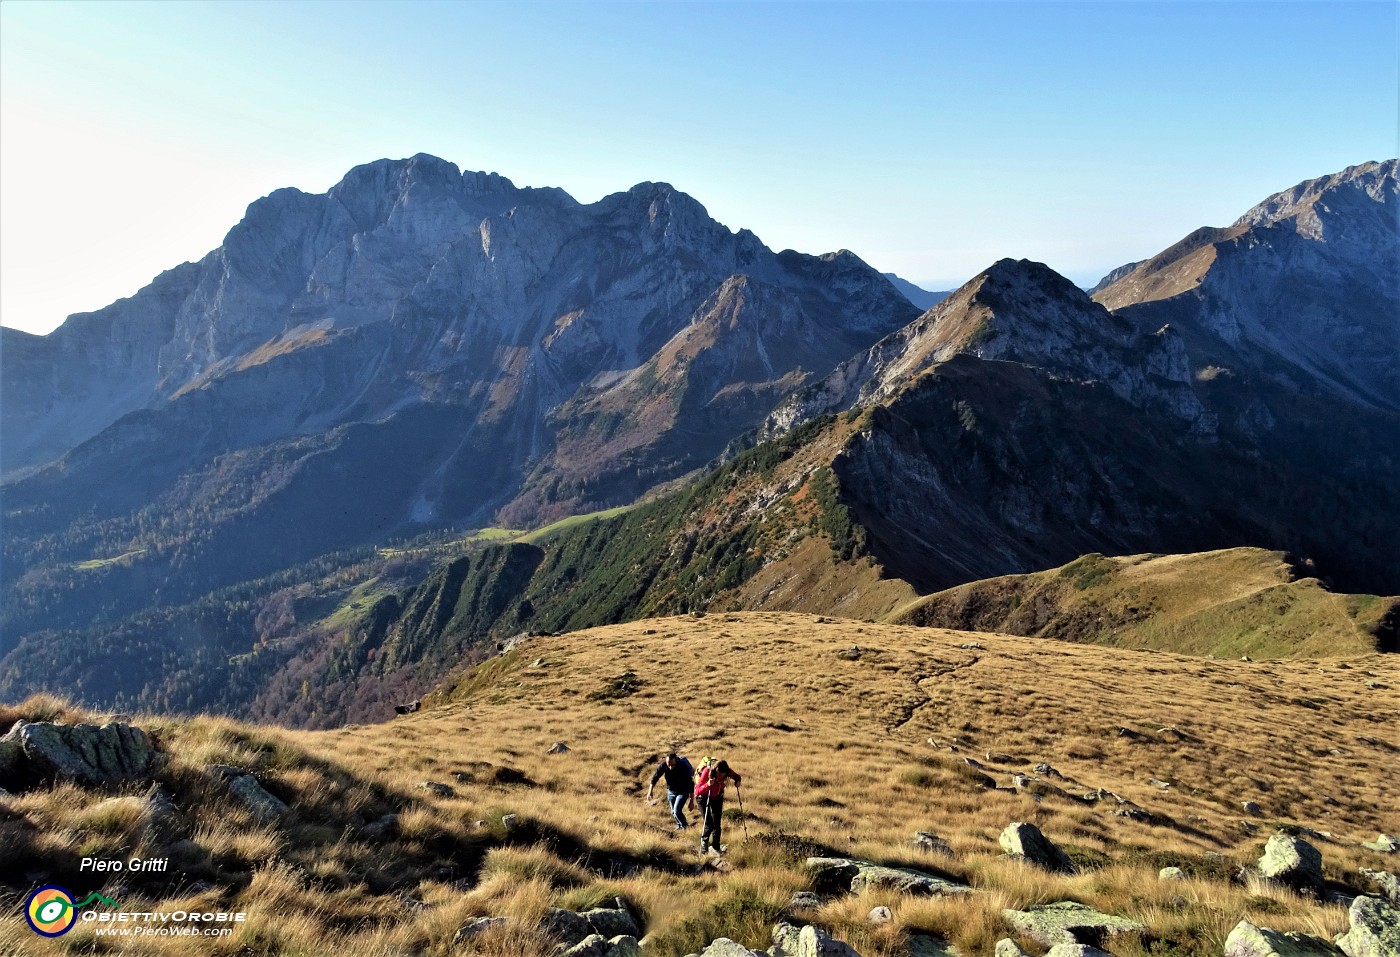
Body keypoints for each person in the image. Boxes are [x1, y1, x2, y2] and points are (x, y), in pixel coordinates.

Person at [694, 758, 742, 854]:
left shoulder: (728, 772)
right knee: (709, 822)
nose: (719, 776)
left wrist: (738, 781)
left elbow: (737, 776)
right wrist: (707, 784)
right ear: (715, 770)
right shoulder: (707, 772)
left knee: (717, 823)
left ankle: (716, 846)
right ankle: (704, 844)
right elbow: (697, 791)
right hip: (703, 797)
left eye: (722, 775)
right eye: (718, 774)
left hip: (717, 797)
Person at [645, 752, 697, 830]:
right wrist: (650, 791)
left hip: (682, 792)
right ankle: (679, 825)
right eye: (668, 764)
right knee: (673, 812)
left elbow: (690, 784)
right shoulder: (664, 765)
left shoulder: (683, 767)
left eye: (672, 765)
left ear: (676, 761)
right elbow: (655, 777)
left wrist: (691, 801)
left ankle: (685, 827)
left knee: (677, 811)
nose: (670, 767)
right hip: (671, 792)